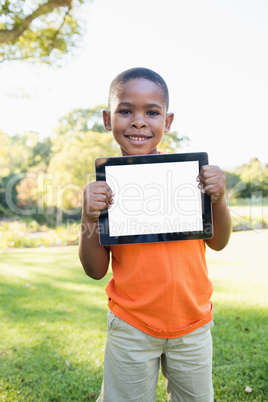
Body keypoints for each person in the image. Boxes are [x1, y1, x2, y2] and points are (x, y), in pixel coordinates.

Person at [79, 67, 232, 402]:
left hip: (192, 323)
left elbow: (218, 242)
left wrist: (218, 198)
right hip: (131, 325)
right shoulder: (103, 189)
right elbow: (94, 270)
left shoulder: (190, 178)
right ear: (108, 119)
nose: (138, 121)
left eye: (152, 112)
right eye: (125, 110)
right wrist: (87, 214)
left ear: (168, 120)